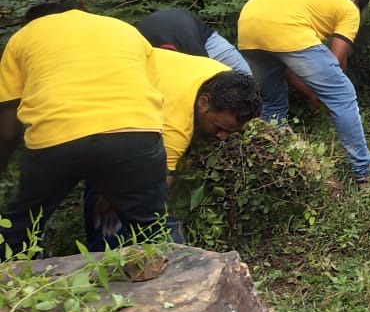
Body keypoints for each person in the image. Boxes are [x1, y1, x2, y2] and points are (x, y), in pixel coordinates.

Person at [0, 7, 169, 256]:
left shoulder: (24, 37)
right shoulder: (126, 30)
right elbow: (154, 94)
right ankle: (161, 286)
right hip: (135, 132)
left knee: (18, 228)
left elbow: (7, 128)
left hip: (56, 134)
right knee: (149, 230)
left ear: (29, 23)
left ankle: (19, 285)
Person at [86, 48, 262, 248]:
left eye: (231, 132)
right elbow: (158, 190)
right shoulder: (175, 127)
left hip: (133, 77)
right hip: (100, 101)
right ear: (204, 102)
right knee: (113, 193)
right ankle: (105, 253)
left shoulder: (222, 78)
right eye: (219, 128)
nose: (222, 137)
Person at [237, 0, 370, 184]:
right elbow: (337, 62)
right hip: (285, 28)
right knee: (343, 96)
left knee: (272, 104)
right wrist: (329, 93)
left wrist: (313, 93)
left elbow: (288, 67)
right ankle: (365, 173)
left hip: (248, 26)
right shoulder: (349, 8)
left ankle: (278, 168)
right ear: (356, 1)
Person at [135, 7, 252, 75]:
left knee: (244, 74)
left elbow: (205, 68)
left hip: (204, 40)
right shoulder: (141, 47)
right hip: (158, 43)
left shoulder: (191, 44)